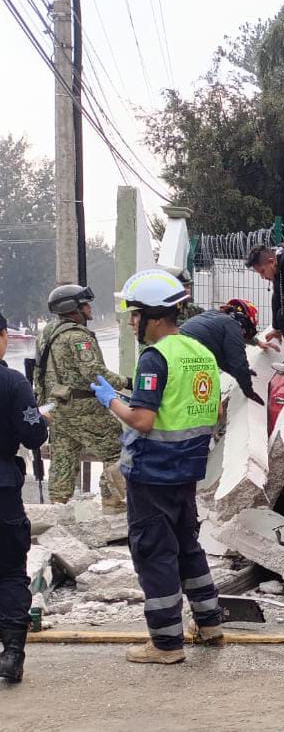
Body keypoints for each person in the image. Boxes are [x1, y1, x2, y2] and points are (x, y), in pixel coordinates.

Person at [90, 269, 223, 665]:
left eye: (135, 314)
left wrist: (111, 401)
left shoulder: (155, 357)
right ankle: (209, 622)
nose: (132, 322)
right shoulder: (200, 353)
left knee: (154, 553)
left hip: (152, 473)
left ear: (155, 315)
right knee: (187, 545)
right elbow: (211, 410)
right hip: (187, 470)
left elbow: (144, 421)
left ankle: (165, 644)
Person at [35, 284, 129, 511]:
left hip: (56, 406)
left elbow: (38, 371)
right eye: (85, 303)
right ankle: (112, 501)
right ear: (74, 307)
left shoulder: (47, 333)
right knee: (116, 447)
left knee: (63, 456)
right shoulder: (77, 336)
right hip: (83, 406)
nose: (89, 307)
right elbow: (94, 372)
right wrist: (126, 383)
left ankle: (57, 508)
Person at [0, 309, 50, 683]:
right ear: (3, 337)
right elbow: (34, 437)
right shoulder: (13, 383)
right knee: (11, 573)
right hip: (3, 489)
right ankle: (12, 654)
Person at [180, 299, 266, 405]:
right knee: (207, 402)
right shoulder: (232, 325)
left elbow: (224, 359)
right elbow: (237, 363)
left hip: (171, 347)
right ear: (245, 320)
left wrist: (244, 373)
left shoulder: (213, 315)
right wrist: (249, 392)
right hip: (189, 357)